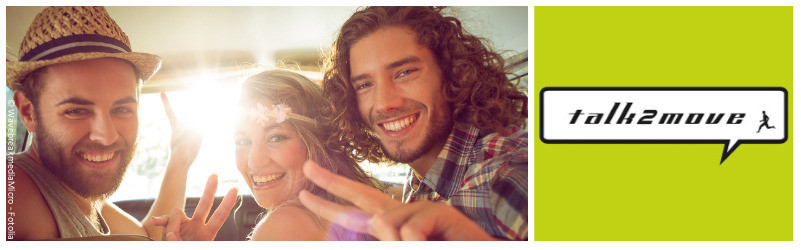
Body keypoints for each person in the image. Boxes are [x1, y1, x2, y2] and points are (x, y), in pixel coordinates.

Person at [298, 6, 528, 240]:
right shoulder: (421, 177)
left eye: (405, 72)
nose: (384, 103)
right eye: (365, 85)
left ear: (453, 73)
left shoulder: (509, 170)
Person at [6, 6, 201, 240]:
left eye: (122, 109)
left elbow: (147, 237)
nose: (107, 136)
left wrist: (180, 159)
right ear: (28, 113)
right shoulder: (13, 192)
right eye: (76, 111)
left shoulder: (84, 197)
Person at [151, 69, 385, 241]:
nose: (253, 161)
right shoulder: (363, 206)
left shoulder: (285, 225)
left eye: (275, 137)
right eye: (243, 141)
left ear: (317, 141)